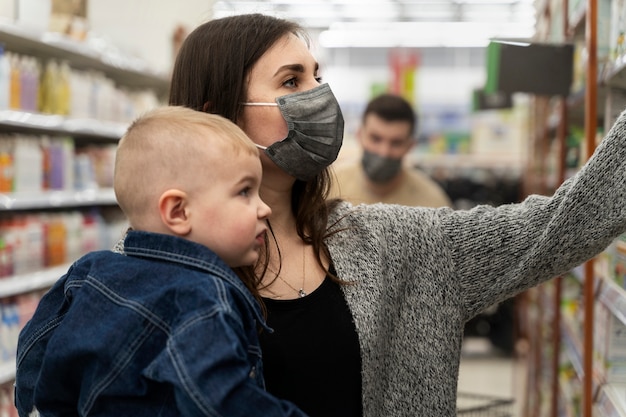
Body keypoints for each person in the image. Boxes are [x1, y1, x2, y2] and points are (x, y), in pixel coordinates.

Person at [154, 13, 625, 417]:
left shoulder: (396, 243)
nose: (319, 95)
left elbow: (561, 226)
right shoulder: (144, 274)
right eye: (292, 81)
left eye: (318, 77)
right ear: (218, 116)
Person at [13, 106, 309, 417]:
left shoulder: (90, 269)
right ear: (178, 212)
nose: (265, 209)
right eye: (245, 192)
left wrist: (38, 408)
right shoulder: (204, 298)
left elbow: (33, 347)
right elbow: (218, 399)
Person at [329, 93, 452, 207]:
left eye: (396, 143)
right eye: (375, 139)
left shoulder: (433, 203)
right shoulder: (330, 189)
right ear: (360, 135)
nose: (384, 152)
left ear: (410, 146)